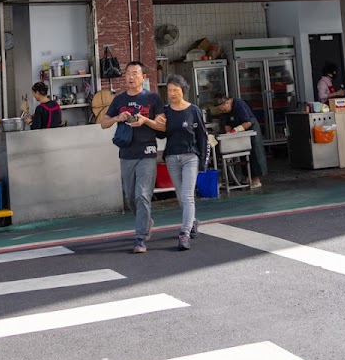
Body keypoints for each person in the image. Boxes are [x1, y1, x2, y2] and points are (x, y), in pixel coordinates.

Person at [98, 61, 163, 254]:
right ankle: (146, 221)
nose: (131, 77)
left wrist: (145, 120)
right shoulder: (119, 100)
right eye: (128, 74)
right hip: (126, 153)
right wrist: (118, 118)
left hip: (147, 152)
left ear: (143, 77)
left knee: (142, 194)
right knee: (130, 197)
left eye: (135, 73)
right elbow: (103, 124)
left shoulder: (152, 98)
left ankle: (140, 238)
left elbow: (162, 126)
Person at [154, 74, 207, 251]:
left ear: (183, 90)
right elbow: (161, 134)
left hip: (190, 156)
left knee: (187, 195)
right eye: (169, 90)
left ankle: (184, 234)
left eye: (175, 90)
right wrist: (156, 124)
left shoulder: (193, 110)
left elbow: (202, 137)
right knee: (180, 196)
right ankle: (192, 221)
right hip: (172, 157)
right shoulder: (166, 111)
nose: (172, 94)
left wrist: (203, 162)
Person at [213, 94, 267, 187]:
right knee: (242, 155)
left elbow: (248, 122)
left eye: (224, 109)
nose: (223, 111)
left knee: (254, 153)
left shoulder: (239, 104)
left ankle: (256, 179)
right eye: (221, 110)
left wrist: (236, 130)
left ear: (228, 102)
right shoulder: (224, 111)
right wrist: (228, 134)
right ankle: (247, 177)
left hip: (250, 128)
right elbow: (227, 123)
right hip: (237, 131)